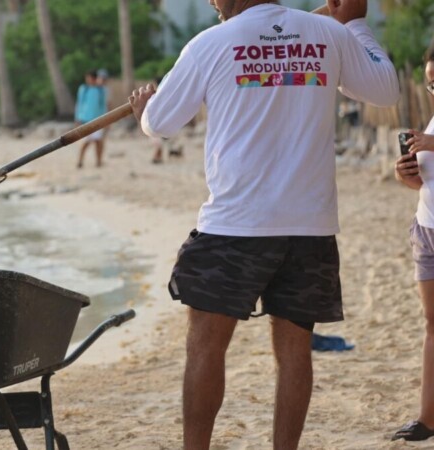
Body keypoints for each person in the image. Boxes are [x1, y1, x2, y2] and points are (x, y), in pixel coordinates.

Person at [128, 0, 399, 448]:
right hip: (308, 226)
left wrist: (143, 110)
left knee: (205, 346)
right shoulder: (326, 33)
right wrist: (354, 23)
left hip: (236, 224)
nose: (213, 3)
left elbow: (162, 124)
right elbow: (385, 89)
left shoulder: (209, 44)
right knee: (294, 352)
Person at [392, 48, 434, 442]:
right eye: (430, 81)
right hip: (426, 229)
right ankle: (427, 419)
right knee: (431, 325)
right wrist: (408, 177)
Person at [75, 70, 108, 168]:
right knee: (86, 142)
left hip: (98, 120)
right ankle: (80, 160)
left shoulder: (101, 90)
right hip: (85, 119)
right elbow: (79, 104)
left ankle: (99, 161)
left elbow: (103, 105)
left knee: (98, 141)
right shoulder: (83, 89)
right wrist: (77, 118)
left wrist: (106, 119)